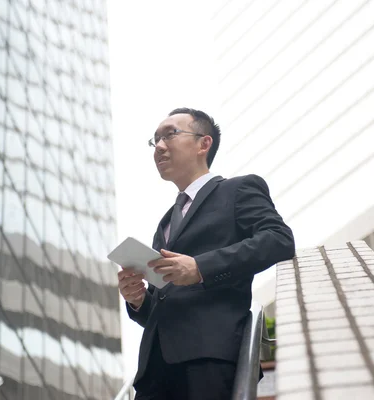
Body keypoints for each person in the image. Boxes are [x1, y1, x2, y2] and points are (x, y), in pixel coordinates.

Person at [117, 108, 295, 399]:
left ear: (204, 143)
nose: (159, 146)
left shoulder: (239, 190)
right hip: (154, 374)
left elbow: (279, 239)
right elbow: (161, 307)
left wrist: (200, 267)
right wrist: (138, 300)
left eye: (170, 134)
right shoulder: (165, 223)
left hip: (209, 360)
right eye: (155, 140)